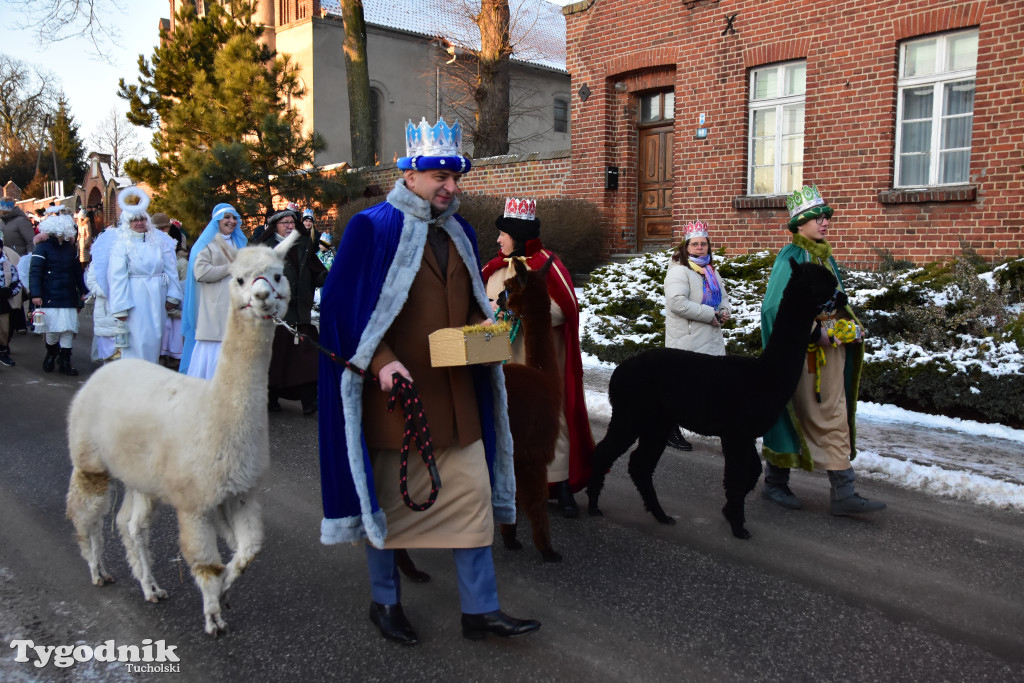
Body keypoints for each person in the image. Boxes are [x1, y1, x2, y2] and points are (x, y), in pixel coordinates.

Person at [318, 116, 539, 646]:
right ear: (410, 175)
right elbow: (343, 314)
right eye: (439, 175)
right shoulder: (372, 227)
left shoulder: (461, 231)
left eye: (455, 176)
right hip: (400, 406)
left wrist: (483, 328)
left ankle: (480, 611)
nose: (450, 186)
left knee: (472, 504)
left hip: (459, 402)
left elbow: (465, 304)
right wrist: (381, 361)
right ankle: (385, 603)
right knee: (390, 513)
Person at [760, 185, 886, 516]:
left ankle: (840, 492)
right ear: (799, 224)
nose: (825, 222)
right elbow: (774, 309)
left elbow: (834, 302)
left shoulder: (822, 255)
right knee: (800, 413)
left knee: (833, 415)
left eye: (826, 216)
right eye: (817, 218)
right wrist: (816, 333)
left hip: (831, 354)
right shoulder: (793, 258)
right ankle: (777, 483)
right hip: (805, 357)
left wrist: (848, 327)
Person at [481, 197, 594, 518]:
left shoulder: (547, 265)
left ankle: (559, 484)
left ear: (516, 234)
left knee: (550, 421)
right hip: (506, 365)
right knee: (510, 422)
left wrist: (516, 309)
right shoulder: (493, 270)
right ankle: (511, 484)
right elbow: (482, 311)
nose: (498, 239)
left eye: (503, 233)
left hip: (541, 363)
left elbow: (564, 310)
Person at [662, 220, 733, 450]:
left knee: (717, 387)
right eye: (695, 244)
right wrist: (709, 314)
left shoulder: (711, 271)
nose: (700, 248)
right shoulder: (679, 271)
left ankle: (727, 434)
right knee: (684, 390)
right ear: (686, 247)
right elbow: (677, 303)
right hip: (688, 340)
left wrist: (723, 311)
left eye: (703, 244)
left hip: (711, 337)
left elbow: (723, 297)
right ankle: (669, 429)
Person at [254, 206, 325, 413]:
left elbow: (315, 269)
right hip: (277, 314)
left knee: (305, 356)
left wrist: (327, 276)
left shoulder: (304, 243)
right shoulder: (266, 247)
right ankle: (270, 398)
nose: (290, 226)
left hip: (300, 309)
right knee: (277, 357)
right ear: (275, 225)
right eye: (285, 223)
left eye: (292, 223)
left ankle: (309, 402)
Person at [106, 187, 183, 364]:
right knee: (137, 339)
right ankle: (134, 377)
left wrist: (173, 295)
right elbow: (117, 277)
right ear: (128, 222)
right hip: (135, 298)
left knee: (155, 337)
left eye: (142, 219)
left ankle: (151, 374)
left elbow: (170, 270)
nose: (139, 223)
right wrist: (120, 307)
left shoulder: (158, 242)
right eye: (134, 220)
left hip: (158, 296)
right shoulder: (122, 245)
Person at [180, 204, 247, 379]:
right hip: (214, 310)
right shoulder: (206, 245)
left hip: (237, 307)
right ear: (217, 220)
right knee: (214, 355)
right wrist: (230, 267)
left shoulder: (239, 244)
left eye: (234, 218)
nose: (232, 221)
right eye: (227, 217)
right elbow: (200, 273)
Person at [29, 213, 88, 375]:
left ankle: (65, 362)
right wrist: (36, 294)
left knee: (68, 329)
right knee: (52, 330)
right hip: (49, 295)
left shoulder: (70, 249)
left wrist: (83, 290)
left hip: (68, 295)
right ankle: (52, 353)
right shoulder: (42, 248)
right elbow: (35, 272)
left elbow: (78, 272)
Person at [86, 223, 120, 363]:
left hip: (125, 306)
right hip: (105, 307)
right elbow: (91, 281)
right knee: (108, 345)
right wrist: (107, 292)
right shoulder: (99, 262)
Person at [159, 221, 189, 368]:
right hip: (161, 303)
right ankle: (162, 354)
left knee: (175, 331)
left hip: (175, 305)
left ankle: (175, 356)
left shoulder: (181, 263)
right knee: (164, 330)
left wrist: (175, 304)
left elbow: (183, 287)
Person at [0, 235, 22, 366]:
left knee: (4, 329)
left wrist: (9, 292)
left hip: (3, 302)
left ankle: (3, 352)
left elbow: (17, 283)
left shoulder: (7, 265)